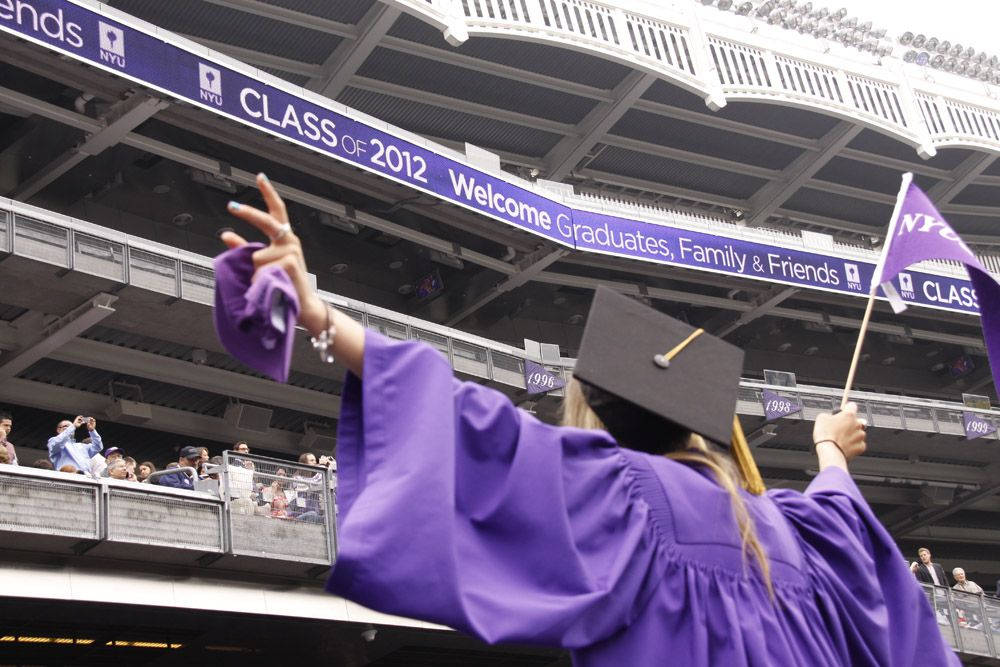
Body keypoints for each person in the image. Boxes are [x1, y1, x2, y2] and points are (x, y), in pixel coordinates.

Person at [219, 173, 959, 666]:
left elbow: (475, 421)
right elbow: (843, 517)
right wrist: (830, 449)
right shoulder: (792, 527)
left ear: (593, 409)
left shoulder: (624, 498)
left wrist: (318, 315)